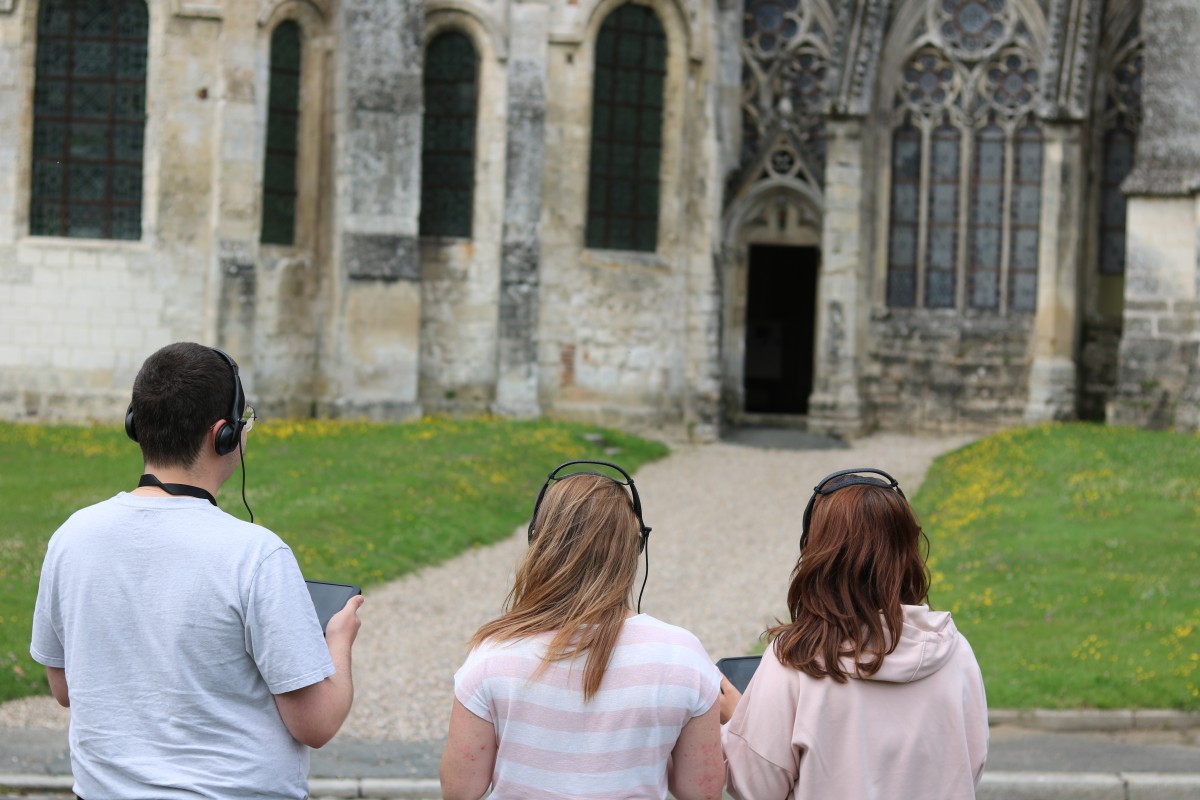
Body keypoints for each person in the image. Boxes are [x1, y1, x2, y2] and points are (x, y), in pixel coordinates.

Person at [30, 342, 364, 799]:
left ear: (136, 425)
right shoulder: (256, 555)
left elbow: (64, 686)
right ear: (224, 435)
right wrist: (338, 641)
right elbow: (317, 723)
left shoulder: (72, 536)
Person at [440, 461, 725, 800]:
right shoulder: (683, 656)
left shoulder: (493, 653)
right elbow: (701, 792)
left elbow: (461, 791)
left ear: (539, 541)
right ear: (635, 548)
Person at [720, 467, 988, 799]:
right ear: (908, 554)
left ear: (816, 554)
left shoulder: (796, 659)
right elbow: (970, 765)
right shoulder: (955, 652)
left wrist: (737, 718)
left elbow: (755, 786)